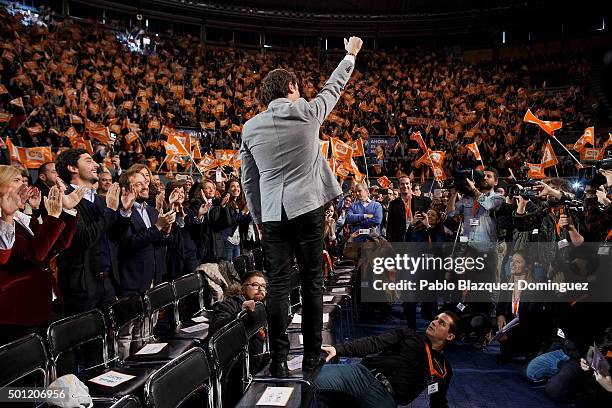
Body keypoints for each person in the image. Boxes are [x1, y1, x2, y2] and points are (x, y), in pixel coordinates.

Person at [240, 36, 363, 377]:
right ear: (291, 87)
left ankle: (278, 358)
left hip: (272, 215)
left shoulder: (250, 128)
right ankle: (310, 356)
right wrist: (349, 55)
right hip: (308, 210)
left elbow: (248, 181)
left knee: (277, 284)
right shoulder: (308, 111)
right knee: (312, 281)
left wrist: (259, 217)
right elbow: (334, 86)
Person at [315, 312, 459, 408]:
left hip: (385, 398)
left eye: (442, 323)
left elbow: (437, 401)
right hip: (361, 375)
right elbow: (374, 343)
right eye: (435, 319)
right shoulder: (409, 334)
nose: (434, 322)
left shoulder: (443, 370)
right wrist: (338, 349)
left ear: (450, 336)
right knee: (311, 380)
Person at [55, 148, 135, 315]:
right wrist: (111, 211)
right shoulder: (64, 198)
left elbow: (114, 236)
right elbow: (83, 239)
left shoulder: (101, 200)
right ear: (72, 168)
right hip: (82, 286)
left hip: (107, 282)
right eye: (88, 160)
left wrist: (124, 212)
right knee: (86, 340)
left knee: (108, 337)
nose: (96, 164)